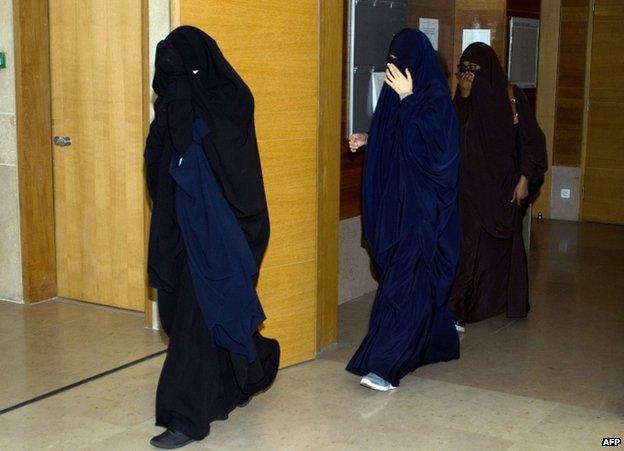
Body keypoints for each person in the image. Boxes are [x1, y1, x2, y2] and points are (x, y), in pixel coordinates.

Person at [144, 26, 280, 449]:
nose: (174, 83)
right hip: (180, 232)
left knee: (195, 323)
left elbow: (238, 178)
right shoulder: (172, 108)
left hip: (224, 236)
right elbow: (156, 171)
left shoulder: (230, 103)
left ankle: (185, 418)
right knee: (199, 316)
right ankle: (249, 371)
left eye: (182, 73)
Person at [347, 29, 461, 391]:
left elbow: (438, 156)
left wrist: (410, 99)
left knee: (404, 283)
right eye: (391, 62)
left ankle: (385, 365)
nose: (396, 69)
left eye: (403, 63)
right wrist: (370, 139)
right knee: (412, 280)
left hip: (423, 211)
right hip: (399, 205)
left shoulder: (434, 100)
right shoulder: (397, 96)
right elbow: (397, 139)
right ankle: (438, 337)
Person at [448, 43, 548, 329]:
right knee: (466, 248)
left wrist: (525, 178)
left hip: (505, 188)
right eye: (464, 69)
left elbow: (532, 141)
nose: (468, 75)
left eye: (475, 69)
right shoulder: (462, 98)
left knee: (499, 251)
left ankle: (499, 301)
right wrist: (464, 98)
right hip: (468, 187)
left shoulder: (511, 96)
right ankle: (457, 307)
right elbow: (453, 136)